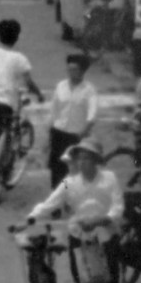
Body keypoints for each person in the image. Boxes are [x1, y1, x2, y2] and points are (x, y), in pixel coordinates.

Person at [25, 139, 124, 283]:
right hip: (80, 238)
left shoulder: (109, 179)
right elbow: (50, 203)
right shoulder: (70, 182)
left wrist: (102, 219)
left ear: (97, 161)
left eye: (87, 158)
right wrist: (32, 216)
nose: (83, 162)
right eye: (80, 158)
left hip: (106, 238)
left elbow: (118, 206)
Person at [0, 19, 43, 190]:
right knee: (8, 134)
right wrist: (39, 94)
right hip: (4, 103)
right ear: (17, 37)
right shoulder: (20, 58)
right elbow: (29, 82)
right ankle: (5, 170)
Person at [45, 54, 98, 190]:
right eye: (69, 69)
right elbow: (53, 110)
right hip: (58, 133)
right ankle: (56, 198)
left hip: (75, 136)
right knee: (56, 168)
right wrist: (48, 135)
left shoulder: (89, 90)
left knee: (71, 170)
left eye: (74, 69)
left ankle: (67, 197)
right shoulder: (61, 86)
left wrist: (83, 133)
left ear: (82, 71)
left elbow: (92, 115)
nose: (71, 73)